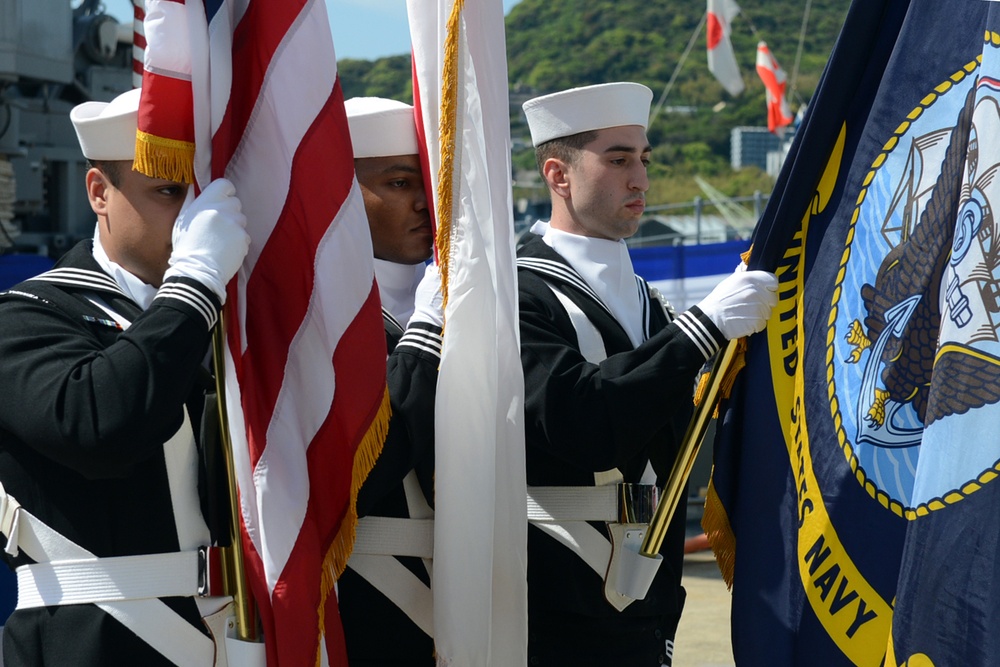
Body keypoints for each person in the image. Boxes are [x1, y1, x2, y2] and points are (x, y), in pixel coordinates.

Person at [517, 82, 778, 666]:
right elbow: (580, 421)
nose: (640, 179)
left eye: (643, 159)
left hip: (650, 594)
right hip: (556, 596)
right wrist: (701, 331)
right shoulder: (516, 293)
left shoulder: (651, 305)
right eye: (617, 160)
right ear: (557, 175)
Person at [0, 88, 250, 666]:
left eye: (205, 196)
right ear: (99, 193)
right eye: (167, 191)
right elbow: (98, 425)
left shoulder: (218, 320)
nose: (194, 218)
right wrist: (195, 284)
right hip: (93, 640)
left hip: (225, 636)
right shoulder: (26, 315)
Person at [336, 96, 443, 666]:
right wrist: (426, 333)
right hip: (366, 601)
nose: (426, 201)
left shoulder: (471, 308)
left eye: (428, 180)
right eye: (402, 182)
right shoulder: (314, 319)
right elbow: (359, 473)